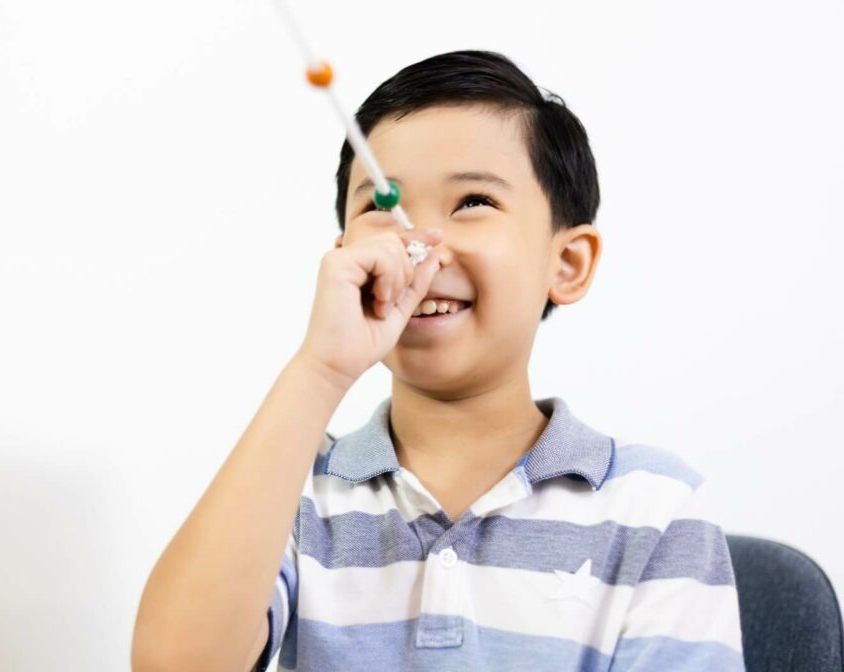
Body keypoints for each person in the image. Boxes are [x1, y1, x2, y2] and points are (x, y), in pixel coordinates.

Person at [131, 50, 745, 672]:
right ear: (344, 254)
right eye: (380, 206)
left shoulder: (655, 509)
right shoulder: (296, 493)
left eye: (473, 201)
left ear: (567, 263)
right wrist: (320, 370)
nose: (416, 245)